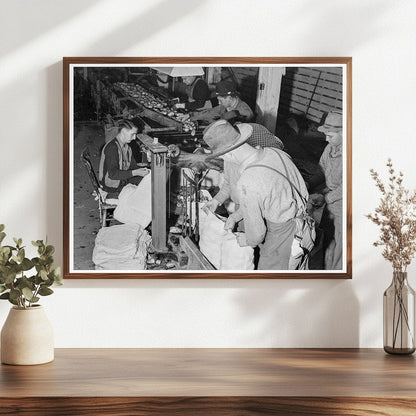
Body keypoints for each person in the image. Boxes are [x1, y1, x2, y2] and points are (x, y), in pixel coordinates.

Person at [202, 120, 310, 270]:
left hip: (281, 232)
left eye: (223, 156)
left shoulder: (248, 180)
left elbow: (258, 234)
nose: (224, 160)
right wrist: (235, 216)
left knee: (269, 279)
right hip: (300, 223)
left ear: (230, 153)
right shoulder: (275, 153)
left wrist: (246, 239)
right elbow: (269, 198)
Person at [203, 122, 285, 216]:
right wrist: (216, 200)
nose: (222, 158)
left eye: (222, 155)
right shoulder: (229, 159)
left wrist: (237, 216)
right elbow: (228, 183)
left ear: (228, 152)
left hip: (257, 212)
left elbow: (257, 206)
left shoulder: (253, 167)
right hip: (240, 208)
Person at [309, 111, 343, 270]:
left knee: (340, 248)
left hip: (343, 208)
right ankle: (325, 272)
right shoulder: (329, 148)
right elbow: (321, 171)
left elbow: (348, 185)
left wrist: (326, 197)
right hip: (330, 206)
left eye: (330, 136)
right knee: (328, 241)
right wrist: (308, 184)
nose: (326, 139)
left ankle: (337, 277)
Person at [98, 119, 150, 197]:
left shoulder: (127, 148)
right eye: (132, 134)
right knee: (146, 192)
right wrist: (136, 172)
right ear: (123, 132)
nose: (134, 138)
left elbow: (133, 167)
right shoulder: (112, 148)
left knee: (149, 183)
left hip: (121, 180)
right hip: (112, 186)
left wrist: (145, 170)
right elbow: (113, 174)